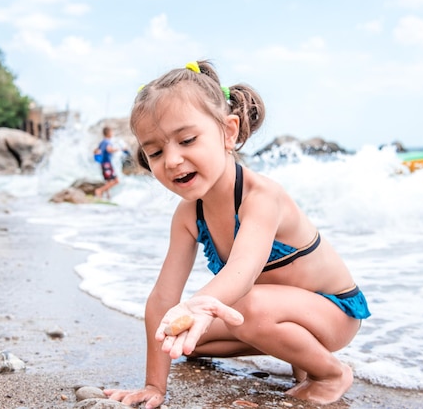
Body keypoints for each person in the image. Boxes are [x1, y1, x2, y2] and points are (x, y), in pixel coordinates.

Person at [103, 61, 371, 408]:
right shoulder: (189, 214)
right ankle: (296, 355)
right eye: (154, 152)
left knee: (238, 303)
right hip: (275, 310)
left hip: (333, 314)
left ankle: (330, 373)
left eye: (187, 140)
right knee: (184, 339)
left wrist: (200, 304)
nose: (171, 160)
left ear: (229, 133)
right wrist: (155, 385)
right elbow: (161, 298)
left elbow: (241, 273)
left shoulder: (261, 197)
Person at [93, 126, 122, 198]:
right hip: (107, 163)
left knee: (108, 181)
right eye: (112, 132)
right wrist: (117, 149)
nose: (112, 134)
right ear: (108, 133)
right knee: (116, 180)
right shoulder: (107, 141)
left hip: (103, 163)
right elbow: (109, 149)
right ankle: (99, 191)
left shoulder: (102, 142)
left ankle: (108, 197)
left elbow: (95, 151)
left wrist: (98, 158)